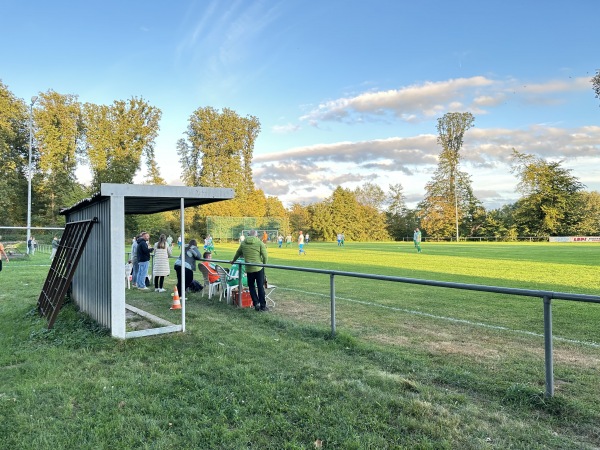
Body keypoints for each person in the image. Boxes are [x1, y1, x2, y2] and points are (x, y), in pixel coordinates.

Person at [230, 229, 268, 311]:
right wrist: (264, 264)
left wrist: (233, 261)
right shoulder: (260, 243)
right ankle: (263, 306)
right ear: (256, 235)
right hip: (259, 268)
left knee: (251, 287)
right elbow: (265, 256)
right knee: (260, 287)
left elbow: (238, 253)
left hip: (249, 269)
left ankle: (256, 304)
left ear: (248, 235)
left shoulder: (243, 243)